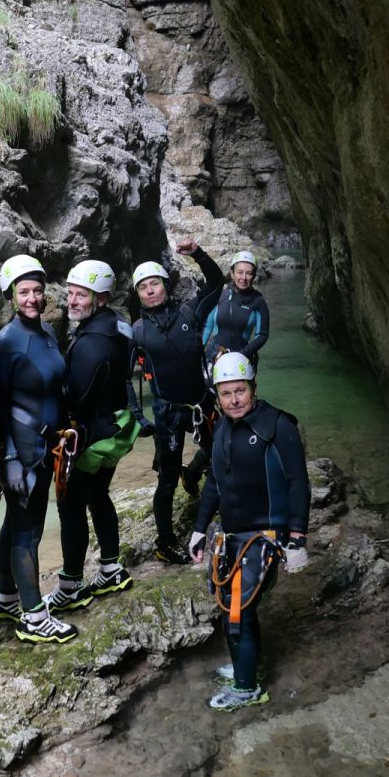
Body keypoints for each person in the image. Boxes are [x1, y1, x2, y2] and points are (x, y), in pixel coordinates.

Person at [188, 352, 310, 711]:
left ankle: (247, 689)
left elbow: (298, 483)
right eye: (226, 394)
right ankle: (247, 665)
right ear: (218, 397)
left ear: (253, 388)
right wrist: (199, 528)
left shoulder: (277, 427)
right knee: (236, 607)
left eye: (240, 391)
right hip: (232, 535)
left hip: (266, 535)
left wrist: (298, 537)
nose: (234, 400)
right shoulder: (223, 426)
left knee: (237, 611)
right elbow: (215, 481)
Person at [0, 254, 77, 644]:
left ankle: (6, 595)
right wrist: (8, 459)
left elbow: (55, 386)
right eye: (24, 292)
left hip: (46, 445)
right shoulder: (6, 343)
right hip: (23, 451)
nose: (33, 298)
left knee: (17, 524)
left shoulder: (46, 333)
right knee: (29, 531)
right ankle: (34, 616)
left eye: (38, 290)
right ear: (11, 296)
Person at [45, 259, 139, 612]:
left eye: (80, 295)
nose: (71, 300)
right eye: (70, 293)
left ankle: (70, 585)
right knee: (99, 495)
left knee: (70, 507)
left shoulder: (90, 344)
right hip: (116, 426)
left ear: (100, 299)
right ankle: (111, 568)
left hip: (93, 435)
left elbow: (77, 398)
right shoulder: (117, 326)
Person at [129, 237, 223, 563]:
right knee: (166, 481)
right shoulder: (137, 332)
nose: (150, 290)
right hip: (167, 414)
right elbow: (124, 379)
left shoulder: (189, 311)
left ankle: (194, 474)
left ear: (165, 285)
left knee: (220, 458)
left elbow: (217, 282)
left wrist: (197, 253)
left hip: (201, 406)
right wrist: (139, 419)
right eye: (143, 287)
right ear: (138, 294)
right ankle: (165, 543)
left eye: (155, 283)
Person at [186, 250, 270, 493]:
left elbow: (262, 335)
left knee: (240, 415)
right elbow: (208, 327)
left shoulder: (258, 302)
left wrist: (242, 354)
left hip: (242, 362)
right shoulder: (220, 297)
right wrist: (197, 354)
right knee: (213, 417)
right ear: (232, 273)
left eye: (249, 273)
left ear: (254, 275)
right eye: (239, 272)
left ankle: (237, 465)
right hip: (214, 358)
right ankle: (202, 467)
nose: (244, 277)